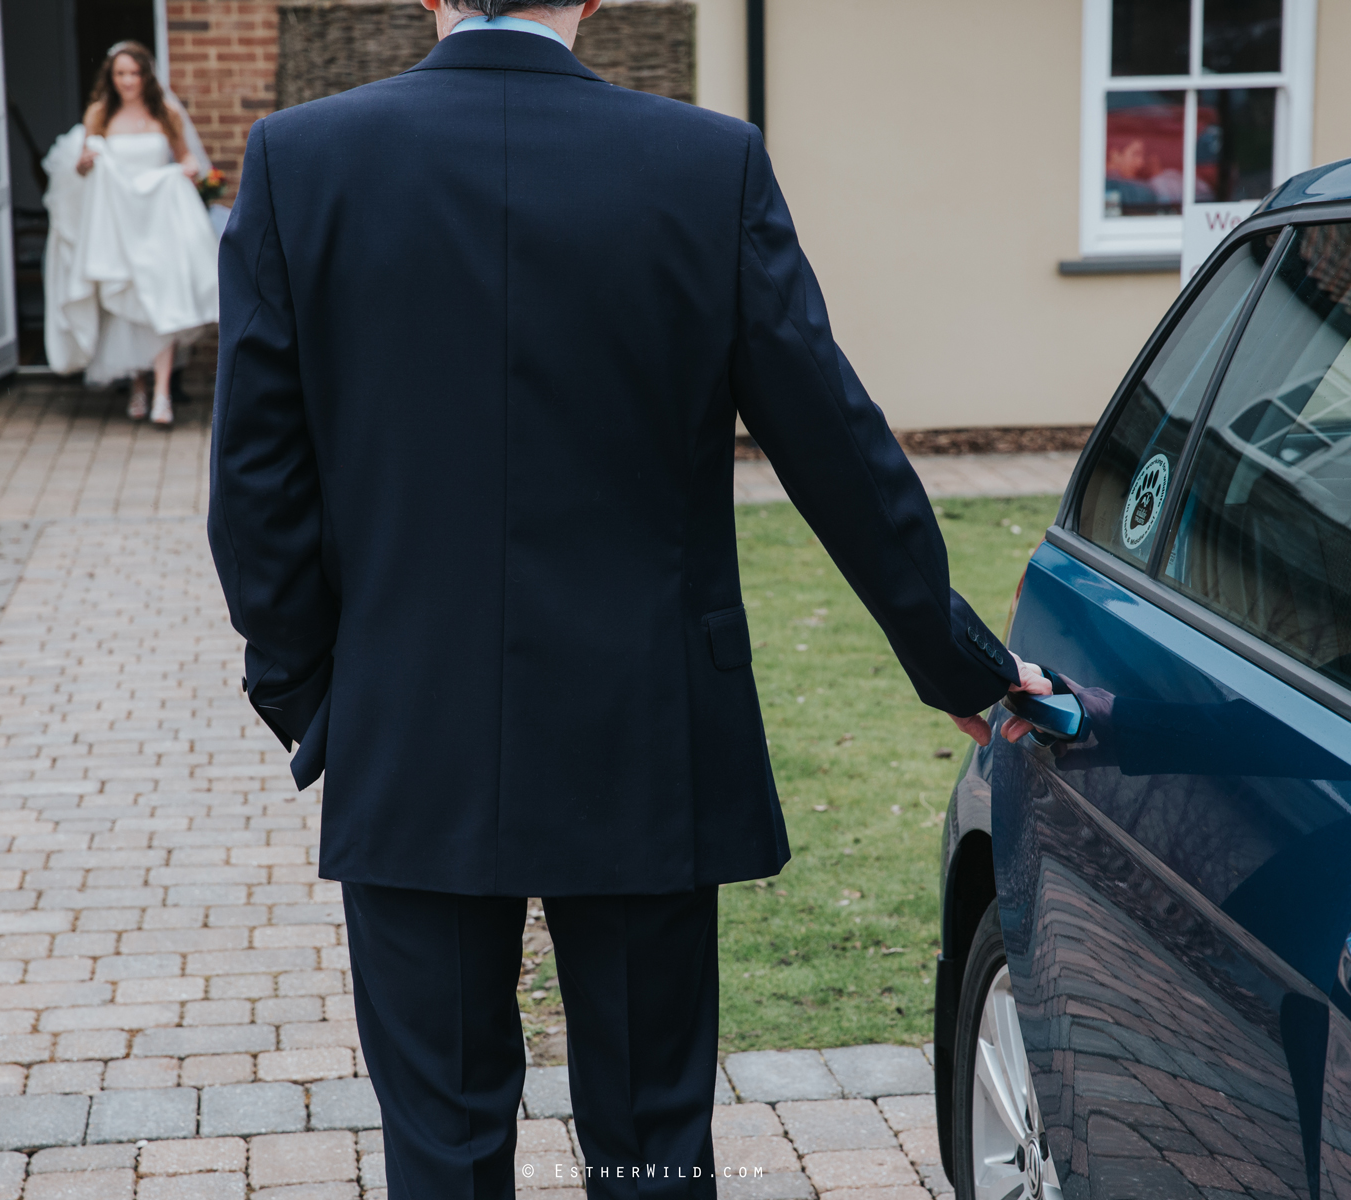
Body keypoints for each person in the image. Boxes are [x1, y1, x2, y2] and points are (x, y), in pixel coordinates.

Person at [207, 3, 1051, 1196]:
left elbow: (254, 480)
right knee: (651, 1146)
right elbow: (834, 445)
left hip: (412, 730)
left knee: (441, 1147)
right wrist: (957, 661)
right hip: (647, 731)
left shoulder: (303, 160)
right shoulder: (706, 163)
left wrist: (314, 694)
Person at [41, 41, 218, 426]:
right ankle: (139, 385)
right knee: (132, 300)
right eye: (120, 74)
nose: (128, 81)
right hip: (120, 222)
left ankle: (162, 393)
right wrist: (86, 163)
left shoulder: (165, 113)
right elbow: (84, 169)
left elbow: (186, 156)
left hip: (159, 220)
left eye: (134, 73)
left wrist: (189, 170)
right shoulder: (99, 114)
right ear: (111, 76)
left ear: (145, 76)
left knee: (165, 298)